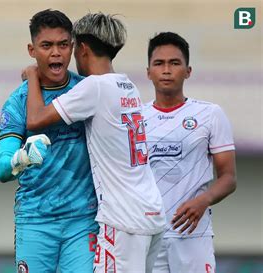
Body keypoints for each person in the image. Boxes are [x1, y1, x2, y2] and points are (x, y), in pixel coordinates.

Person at [24, 12, 165, 273]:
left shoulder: (94, 87)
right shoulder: (128, 86)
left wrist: (33, 76)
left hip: (123, 221)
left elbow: (34, 119)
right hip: (152, 213)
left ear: (84, 48)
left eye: (73, 47)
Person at [0, 9, 98, 273]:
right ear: (32, 50)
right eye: (46, 45)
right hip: (35, 220)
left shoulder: (87, 91)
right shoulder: (17, 102)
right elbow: (1, 169)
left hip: (82, 220)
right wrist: (23, 157)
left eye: (63, 45)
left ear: (72, 48)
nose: (56, 53)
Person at [143, 32, 237, 273]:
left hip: (194, 235)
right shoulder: (136, 119)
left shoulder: (210, 114)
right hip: (148, 234)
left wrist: (203, 200)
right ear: (148, 72)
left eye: (174, 63)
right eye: (159, 63)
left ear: (188, 70)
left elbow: (229, 177)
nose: (166, 70)